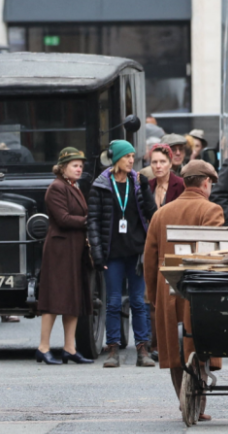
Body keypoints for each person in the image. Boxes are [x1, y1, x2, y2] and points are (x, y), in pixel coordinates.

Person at [143, 160, 225, 422]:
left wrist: (152, 294)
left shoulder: (161, 213)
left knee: (174, 351)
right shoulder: (211, 210)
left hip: (168, 294)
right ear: (205, 183)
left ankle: (184, 400)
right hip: (200, 295)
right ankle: (197, 406)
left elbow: (149, 259)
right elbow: (215, 255)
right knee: (198, 348)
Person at [86, 139, 157, 368]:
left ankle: (142, 350)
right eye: (127, 156)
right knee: (113, 302)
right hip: (112, 253)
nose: (131, 160)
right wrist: (97, 255)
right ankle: (113, 349)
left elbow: (152, 214)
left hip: (136, 252)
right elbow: (93, 222)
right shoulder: (101, 185)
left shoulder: (137, 182)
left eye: (133, 156)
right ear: (117, 159)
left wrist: (146, 188)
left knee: (138, 301)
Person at [35, 147, 94, 365]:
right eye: (75, 165)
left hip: (75, 249)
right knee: (53, 299)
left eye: (81, 165)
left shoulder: (73, 187)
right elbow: (63, 219)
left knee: (73, 299)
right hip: (60, 250)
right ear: (63, 168)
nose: (79, 169)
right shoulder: (56, 188)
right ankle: (43, 347)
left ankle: (70, 348)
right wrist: (88, 221)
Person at [146, 144, 185, 209]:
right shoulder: (148, 185)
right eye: (154, 162)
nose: (158, 166)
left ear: (170, 164)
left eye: (162, 162)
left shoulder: (181, 184)